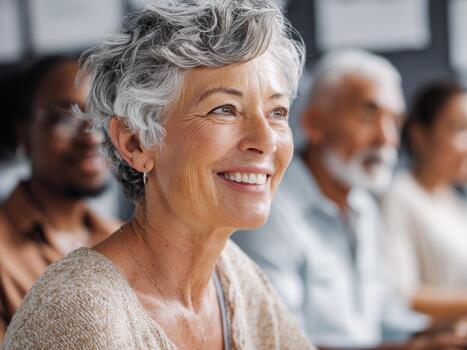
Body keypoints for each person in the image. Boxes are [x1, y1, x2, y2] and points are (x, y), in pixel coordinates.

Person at [3, 1, 314, 349]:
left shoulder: (233, 276)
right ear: (136, 142)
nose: (266, 140)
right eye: (225, 109)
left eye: (277, 111)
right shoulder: (78, 312)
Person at [233, 50, 444, 349]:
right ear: (314, 124)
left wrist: (444, 333)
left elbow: (383, 319)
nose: (387, 138)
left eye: (395, 121)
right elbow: (280, 341)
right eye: (369, 115)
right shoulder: (268, 210)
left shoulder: (364, 207)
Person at [0, 55, 120, 339]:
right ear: (24, 136)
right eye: (65, 118)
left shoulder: (118, 237)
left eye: (102, 115)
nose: (91, 137)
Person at [381, 81, 467, 319]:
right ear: (420, 136)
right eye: (461, 130)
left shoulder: (463, 206)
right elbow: (403, 294)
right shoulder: (399, 195)